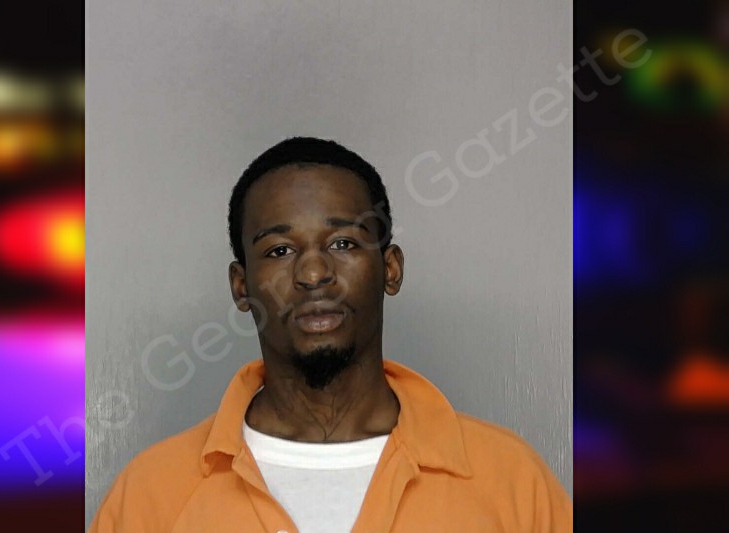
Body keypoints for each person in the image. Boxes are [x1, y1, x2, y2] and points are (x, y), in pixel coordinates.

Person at [90, 137, 572, 532]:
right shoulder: (151, 494)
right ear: (241, 286)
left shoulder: (511, 481)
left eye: (343, 243)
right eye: (279, 250)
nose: (314, 272)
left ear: (390, 269)